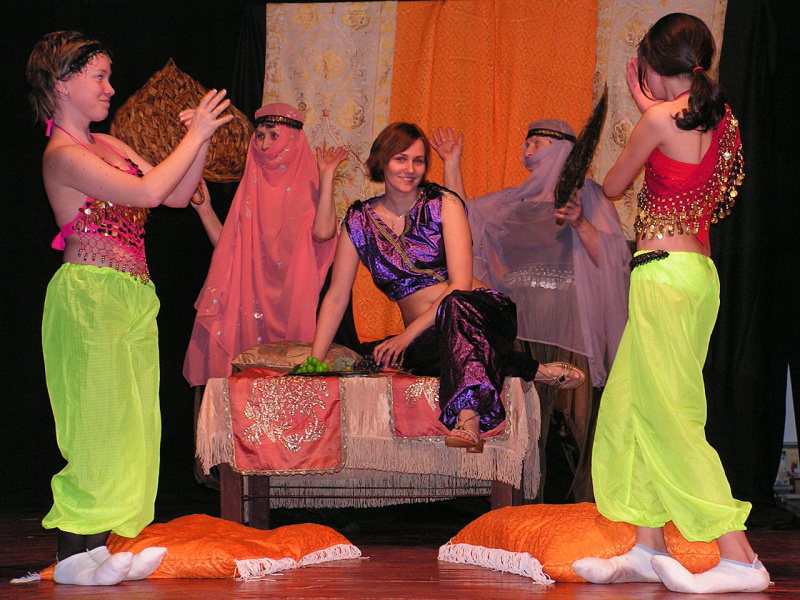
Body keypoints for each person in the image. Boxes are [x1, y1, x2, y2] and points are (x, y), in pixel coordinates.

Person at [570, 13, 769, 594]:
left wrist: (645, 110)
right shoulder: (723, 119)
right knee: (632, 407)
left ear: (652, 67)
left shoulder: (659, 119)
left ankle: (741, 559)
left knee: (670, 415)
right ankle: (646, 546)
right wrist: (650, 108)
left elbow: (612, 186)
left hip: (661, 275)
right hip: (697, 276)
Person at [27, 31, 231, 585]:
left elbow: (176, 194)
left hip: (133, 296)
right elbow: (146, 193)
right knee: (95, 424)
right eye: (98, 77)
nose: (110, 88)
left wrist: (198, 140)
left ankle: (96, 551)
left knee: (132, 426)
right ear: (60, 84)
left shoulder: (111, 144)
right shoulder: (63, 156)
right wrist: (195, 136)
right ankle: (73, 555)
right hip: (89, 298)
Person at [308, 122, 585, 453]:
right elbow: (337, 296)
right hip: (431, 335)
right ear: (382, 160)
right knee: (405, 356)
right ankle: (532, 369)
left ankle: (469, 422)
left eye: (418, 161)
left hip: (481, 309)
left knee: (455, 309)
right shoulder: (358, 220)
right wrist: (313, 361)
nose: (410, 169)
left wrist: (406, 336)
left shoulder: (442, 203)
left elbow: (460, 284)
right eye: (400, 159)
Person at [431, 120, 631, 501]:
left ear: (561, 148)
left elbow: (614, 259)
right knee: (527, 422)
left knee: (572, 416)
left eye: (537, 143)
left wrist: (580, 222)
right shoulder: (513, 201)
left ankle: (580, 508)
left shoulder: (587, 195)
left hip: (570, 324)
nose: (527, 150)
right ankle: (525, 509)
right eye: (526, 143)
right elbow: (462, 221)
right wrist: (452, 163)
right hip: (520, 325)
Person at [183, 103, 345, 386]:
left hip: (294, 305)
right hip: (250, 309)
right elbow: (231, 251)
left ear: (292, 139)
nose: (265, 144)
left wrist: (327, 175)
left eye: (273, 135)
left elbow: (323, 233)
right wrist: (205, 210)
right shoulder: (251, 185)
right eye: (260, 136)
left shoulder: (309, 185)